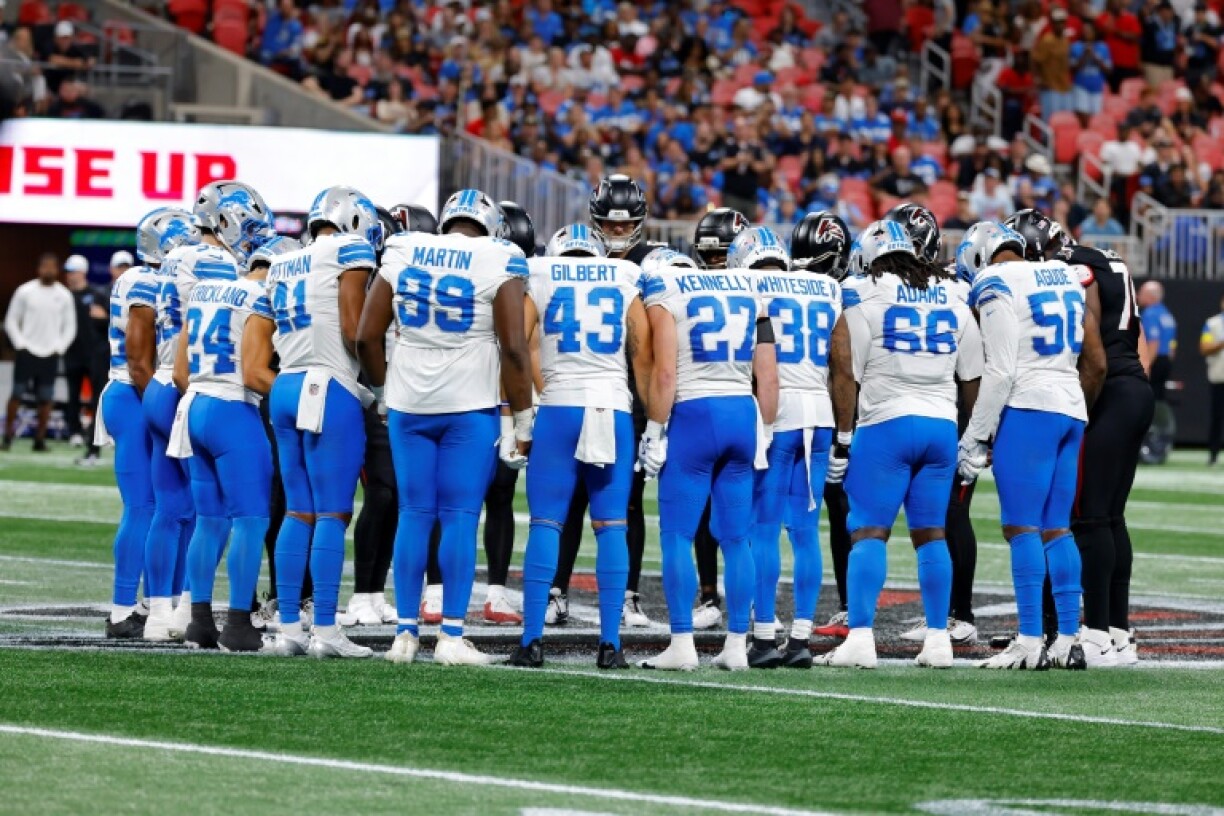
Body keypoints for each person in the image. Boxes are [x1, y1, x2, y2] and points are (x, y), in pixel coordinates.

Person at [356, 188, 532, 666]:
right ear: (490, 226)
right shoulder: (501, 256)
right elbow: (515, 348)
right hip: (468, 403)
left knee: (414, 513)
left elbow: (366, 335)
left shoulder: (405, 247)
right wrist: (523, 416)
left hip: (409, 401)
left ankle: (405, 635)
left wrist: (381, 391)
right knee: (458, 516)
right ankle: (451, 636)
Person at [815, 220, 982, 670]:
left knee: (868, 530)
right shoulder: (953, 291)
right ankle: (938, 639)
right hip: (940, 426)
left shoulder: (859, 290)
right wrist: (970, 436)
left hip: (885, 422)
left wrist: (844, 438)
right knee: (931, 535)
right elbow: (971, 375)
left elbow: (847, 370)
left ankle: (862, 638)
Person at [955, 221, 1106, 670]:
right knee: (1057, 527)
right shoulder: (1063, 272)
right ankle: (1069, 639)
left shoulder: (994, 280)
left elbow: (1000, 371)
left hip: (1029, 406)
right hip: (1070, 406)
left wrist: (975, 436)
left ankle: (1028, 638)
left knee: (1021, 527)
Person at [1008, 209, 1153, 667]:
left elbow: (1091, 344)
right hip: (1132, 387)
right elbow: (1138, 334)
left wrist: (1082, 408)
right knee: (1111, 517)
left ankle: (1094, 632)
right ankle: (1116, 631)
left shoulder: (1072, 269)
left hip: (1104, 389)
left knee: (1088, 518)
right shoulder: (1108, 258)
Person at [637, 222, 779, 672]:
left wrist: (655, 430)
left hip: (695, 413)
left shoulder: (664, 286)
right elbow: (767, 369)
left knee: (677, 534)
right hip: (742, 410)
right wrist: (767, 426)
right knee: (737, 538)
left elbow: (664, 374)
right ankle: (737, 646)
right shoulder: (749, 285)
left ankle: (682, 644)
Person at [511, 222, 651, 669]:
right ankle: (611, 644)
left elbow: (515, 340)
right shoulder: (624, 275)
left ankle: (532, 640)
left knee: (546, 524)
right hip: (612, 406)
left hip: (559, 404)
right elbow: (642, 347)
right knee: (612, 526)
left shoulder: (542, 272)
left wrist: (516, 414)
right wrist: (653, 419)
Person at [264, 186, 380, 659]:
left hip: (286, 384)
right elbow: (354, 329)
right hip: (328, 383)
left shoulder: (283, 260)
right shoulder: (349, 249)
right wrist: (382, 380)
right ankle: (327, 631)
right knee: (333, 512)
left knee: (298, 510)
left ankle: (289, 627)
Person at [169, 189, 277, 652]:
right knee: (251, 519)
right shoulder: (256, 293)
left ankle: (198, 622)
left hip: (193, 406)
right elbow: (255, 371)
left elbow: (178, 372)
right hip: (234, 408)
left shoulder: (205, 289)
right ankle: (237, 624)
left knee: (209, 520)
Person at [549, 175, 658, 630]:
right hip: (578, 387)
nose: (617, 233)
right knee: (569, 500)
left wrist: (656, 413)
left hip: (628, 396)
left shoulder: (653, 264)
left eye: (625, 225)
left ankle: (628, 595)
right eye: (610, 226)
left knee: (627, 503)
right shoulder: (568, 255)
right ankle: (557, 590)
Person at [748, 225, 855, 669]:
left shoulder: (751, 284)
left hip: (777, 411)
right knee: (806, 532)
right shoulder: (830, 288)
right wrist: (844, 439)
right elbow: (844, 369)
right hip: (820, 415)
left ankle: (765, 635)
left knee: (765, 527)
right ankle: (801, 638)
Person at [153, 183, 252, 642]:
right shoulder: (218, 263)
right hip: (213, 383)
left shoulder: (176, 257)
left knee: (180, 511)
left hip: (175, 380)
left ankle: (170, 612)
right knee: (223, 514)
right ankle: (214, 617)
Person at [885, 204, 982, 647]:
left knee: (950, 515)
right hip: (936, 408)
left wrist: (975, 429)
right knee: (930, 519)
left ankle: (960, 613)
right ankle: (943, 614)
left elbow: (974, 365)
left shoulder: (957, 289)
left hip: (953, 409)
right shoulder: (925, 287)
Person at [345, 207, 434, 628]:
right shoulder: (373, 274)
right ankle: (362, 592)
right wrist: (378, 393)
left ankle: (377, 593)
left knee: (399, 497)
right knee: (380, 493)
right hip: (378, 392)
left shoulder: (416, 278)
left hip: (409, 395)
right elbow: (363, 337)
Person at [93, 210, 172, 638]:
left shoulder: (134, 277)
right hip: (136, 393)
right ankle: (124, 608)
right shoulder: (147, 282)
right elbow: (142, 361)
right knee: (144, 506)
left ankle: (145, 603)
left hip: (131, 392)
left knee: (156, 507)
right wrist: (161, 405)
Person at [788, 211, 856, 640]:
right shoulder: (841, 291)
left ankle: (757, 621)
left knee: (801, 517)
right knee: (839, 513)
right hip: (836, 412)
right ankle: (851, 606)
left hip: (794, 413)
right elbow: (846, 369)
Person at [689, 206, 751, 631]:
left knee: (739, 517)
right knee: (709, 512)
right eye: (707, 256)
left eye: (720, 254)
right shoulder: (755, 289)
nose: (713, 264)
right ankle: (711, 593)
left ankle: (747, 601)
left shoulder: (753, 287)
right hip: (738, 409)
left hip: (715, 407)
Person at [3, 253, 76, 452]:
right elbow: (11, 320)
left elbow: (70, 326)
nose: (48, 270)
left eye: (52, 267)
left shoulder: (64, 295)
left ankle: (40, 439)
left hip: (50, 353)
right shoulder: (25, 291)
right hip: (27, 351)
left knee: (46, 397)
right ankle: (7, 436)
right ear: (38, 269)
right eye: (45, 266)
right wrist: (20, 344)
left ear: (58, 270)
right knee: (16, 394)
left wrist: (59, 347)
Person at [77, 251, 135, 467]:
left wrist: (111, 317)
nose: (123, 271)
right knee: (98, 401)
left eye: (126, 267)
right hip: (105, 356)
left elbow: (107, 320)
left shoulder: (139, 293)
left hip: (130, 357)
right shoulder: (102, 292)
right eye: (119, 267)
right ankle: (93, 449)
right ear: (111, 269)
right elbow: (98, 321)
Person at [62, 255, 98, 447]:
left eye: (73, 271)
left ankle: (95, 433)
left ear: (82, 272)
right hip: (72, 353)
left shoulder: (95, 294)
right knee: (73, 395)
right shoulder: (63, 297)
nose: (70, 275)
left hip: (92, 354)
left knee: (97, 395)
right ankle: (74, 431)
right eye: (68, 272)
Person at [1140, 281, 1177, 402]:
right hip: (1165, 361)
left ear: (1150, 296)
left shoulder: (1150, 314)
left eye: (1141, 293)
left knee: (1148, 398)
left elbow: (1153, 342)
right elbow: (1172, 344)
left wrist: (1145, 366)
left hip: (1154, 360)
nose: (1138, 295)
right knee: (1159, 397)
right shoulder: (1166, 314)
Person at [1202, 295, 1224, 466]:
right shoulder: (1212, 324)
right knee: (1217, 418)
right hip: (1219, 376)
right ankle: (1213, 454)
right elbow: (1205, 347)